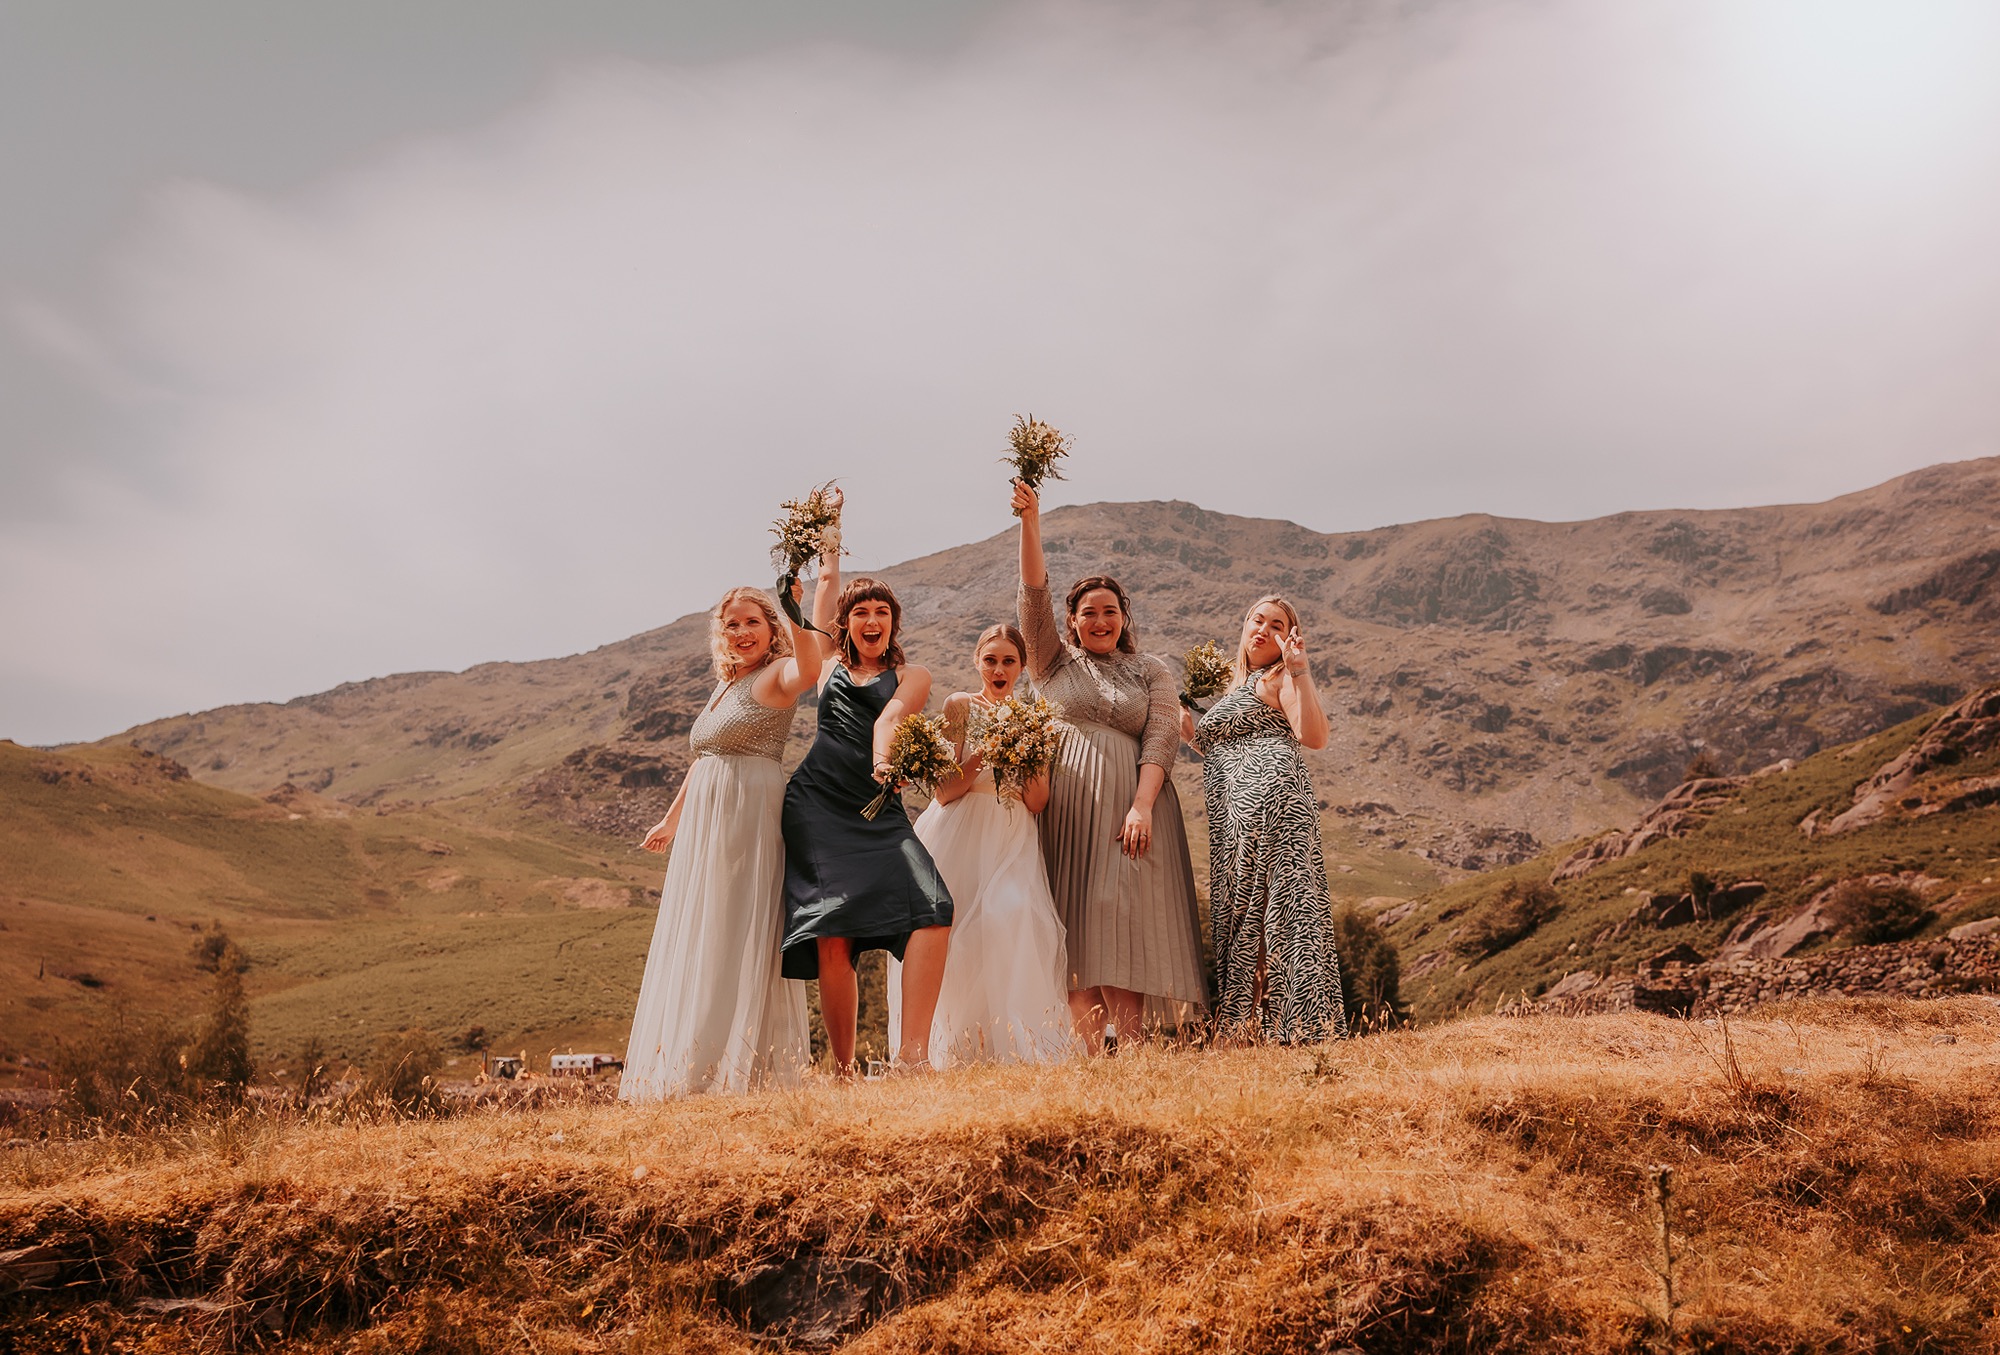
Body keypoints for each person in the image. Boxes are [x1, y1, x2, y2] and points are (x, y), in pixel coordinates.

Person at [619, 550, 836, 1099]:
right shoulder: (723, 687)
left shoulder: (773, 679)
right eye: (732, 624)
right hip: (705, 825)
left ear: (770, 630)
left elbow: (811, 669)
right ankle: (689, 1063)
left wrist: (795, 608)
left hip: (748, 815)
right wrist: (672, 820)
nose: (742, 632)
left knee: (738, 924)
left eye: (752, 622)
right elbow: (704, 758)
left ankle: (738, 1068)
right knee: (704, 926)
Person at [1012, 479, 1207, 1051]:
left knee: (1125, 915)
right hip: (1066, 806)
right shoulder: (1049, 662)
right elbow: (1032, 593)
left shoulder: (1151, 669)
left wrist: (1142, 806)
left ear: (1124, 617)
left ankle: (1137, 1049)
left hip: (1134, 804)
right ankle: (1089, 1056)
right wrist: (1031, 522)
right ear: (1071, 621)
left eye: (1111, 612)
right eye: (1089, 613)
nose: (1100, 621)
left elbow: (1163, 738)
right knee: (1075, 917)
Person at [781, 562, 954, 1075]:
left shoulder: (913, 676)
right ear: (847, 623)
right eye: (861, 612)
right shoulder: (829, 661)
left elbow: (891, 717)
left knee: (935, 907)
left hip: (881, 813)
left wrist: (883, 761)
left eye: (882, 612)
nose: (872, 619)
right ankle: (841, 1072)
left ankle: (913, 1058)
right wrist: (828, 542)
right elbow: (825, 593)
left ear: (893, 622)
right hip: (816, 806)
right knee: (834, 934)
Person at [887, 624, 1072, 1066]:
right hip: (959, 831)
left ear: (1023, 667)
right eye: (991, 660)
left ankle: (1009, 1046)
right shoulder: (960, 707)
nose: (999, 669)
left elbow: (1038, 800)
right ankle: (950, 1047)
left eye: (1009, 661)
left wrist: (1022, 757)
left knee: (1009, 923)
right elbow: (945, 791)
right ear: (977, 662)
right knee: (955, 937)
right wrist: (985, 752)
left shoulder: (1035, 717)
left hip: (1011, 832)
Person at [1185, 595, 1347, 1043]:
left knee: (1279, 912)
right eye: (1258, 619)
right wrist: (1180, 715)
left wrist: (1299, 668)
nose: (1263, 628)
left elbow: (1312, 736)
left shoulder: (1278, 678)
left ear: (1286, 639)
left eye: (1277, 625)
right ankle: (1247, 1030)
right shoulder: (1241, 684)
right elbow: (1214, 743)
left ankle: (1295, 1029)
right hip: (1234, 814)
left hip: (1273, 805)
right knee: (1243, 913)